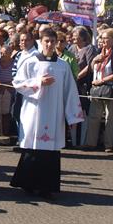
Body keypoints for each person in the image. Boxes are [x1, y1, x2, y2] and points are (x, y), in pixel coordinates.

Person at [10, 28, 84, 198]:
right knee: (33, 148)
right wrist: (38, 82)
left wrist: (72, 114)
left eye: (53, 41)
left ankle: (46, 187)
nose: (50, 45)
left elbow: (70, 91)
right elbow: (18, 83)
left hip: (54, 113)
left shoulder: (63, 65)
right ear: (41, 42)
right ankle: (27, 183)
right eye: (46, 42)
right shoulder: (30, 62)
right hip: (34, 111)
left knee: (50, 151)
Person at [84, 28, 113, 152]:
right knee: (94, 116)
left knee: (110, 118)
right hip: (96, 89)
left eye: (106, 38)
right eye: (102, 38)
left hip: (111, 89)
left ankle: (108, 144)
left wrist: (102, 80)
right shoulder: (99, 51)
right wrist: (94, 61)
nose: (103, 40)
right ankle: (90, 143)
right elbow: (92, 70)